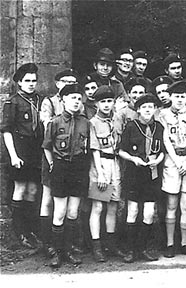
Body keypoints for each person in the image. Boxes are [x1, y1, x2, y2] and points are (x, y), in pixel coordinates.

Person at [42, 84, 91, 267]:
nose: (76, 102)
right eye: (72, 98)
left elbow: (88, 147)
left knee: (72, 212)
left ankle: (69, 250)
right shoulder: (55, 122)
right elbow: (47, 146)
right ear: (63, 101)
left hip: (78, 168)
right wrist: (54, 164)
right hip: (60, 168)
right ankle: (57, 251)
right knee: (60, 211)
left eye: (79, 98)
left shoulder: (85, 122)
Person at [118, 93, 165, 263]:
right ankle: (130, 250)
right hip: (134, 173)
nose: (147, 110)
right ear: (138, 110)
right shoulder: (131, 126)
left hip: (151, 174)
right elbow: (121, 150)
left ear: (155, 109)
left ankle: (143, 248)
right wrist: (134, 159)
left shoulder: (158, 127)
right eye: (144, 107)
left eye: (151, 107)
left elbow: (162, 151)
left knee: (149, 212)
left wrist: (157, 161)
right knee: (133, 210)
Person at [2, 63, 44, 250]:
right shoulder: (13, 102)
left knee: (33, 190)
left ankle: (30, 229)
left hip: (36, 149)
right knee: (20, 189)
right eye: (27, 80)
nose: (31, 84)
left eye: (34, 80)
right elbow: (7, 131)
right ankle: (19, 232)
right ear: (19, 82)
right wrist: (13, 155)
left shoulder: (40, 100)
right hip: (20, 148)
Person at [38, 68, 80, 255]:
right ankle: (48, 243)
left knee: (70, 206)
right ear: (57, 83)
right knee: (49, 201)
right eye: (66, 81)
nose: (69, 84)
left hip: (73, 161)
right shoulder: (50, 102)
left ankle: (66, 245)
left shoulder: (78, 104)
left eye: (73, 81)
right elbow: (47, 125)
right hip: (54, 157)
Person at [158, 80, 186, 258]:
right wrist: (176, 161)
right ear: (171, 97)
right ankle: (169, 243)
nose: (180, 99)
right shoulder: (163, 114)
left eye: (183, 96)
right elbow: (165, 140)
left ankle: (184, 243)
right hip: (172, 161)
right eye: (176, 96)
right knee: (171, 204)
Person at [87, 86, 126, 262]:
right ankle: (97, 246)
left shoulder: (116, 121)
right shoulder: (93, 123)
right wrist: (101, 174)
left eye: (109, 101)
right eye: (103, 101)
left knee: (113, 206)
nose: (106, 105)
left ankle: (111, 244)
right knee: (98, 206)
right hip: (100, 165)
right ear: (96, 103)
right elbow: (94, 149)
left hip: (115, 164)